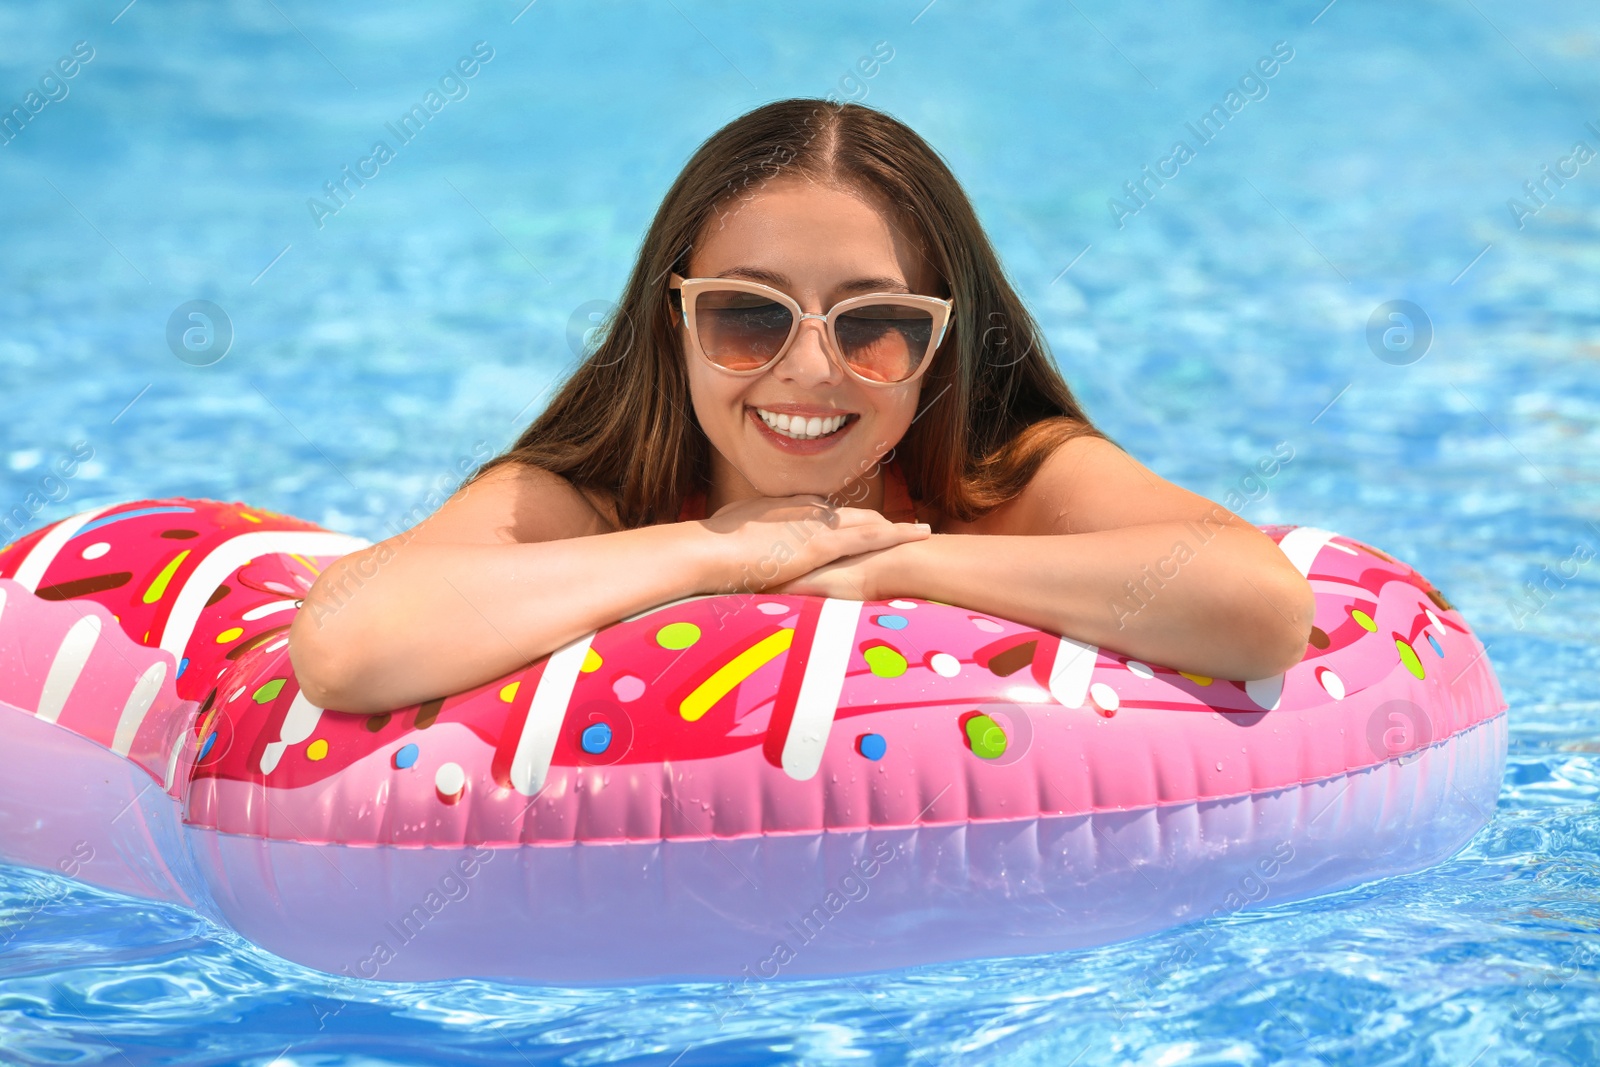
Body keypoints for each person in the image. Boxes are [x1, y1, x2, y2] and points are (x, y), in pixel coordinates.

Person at [288, 99, 1315, 715]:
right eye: (748, 314)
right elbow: (344, 641)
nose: (810, 368)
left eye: (874, 322)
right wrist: (720, 552)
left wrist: (887, 559)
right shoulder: (592, 493)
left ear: (938, 344)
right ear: (673, 322)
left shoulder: (999, 477)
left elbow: (1261, 608)